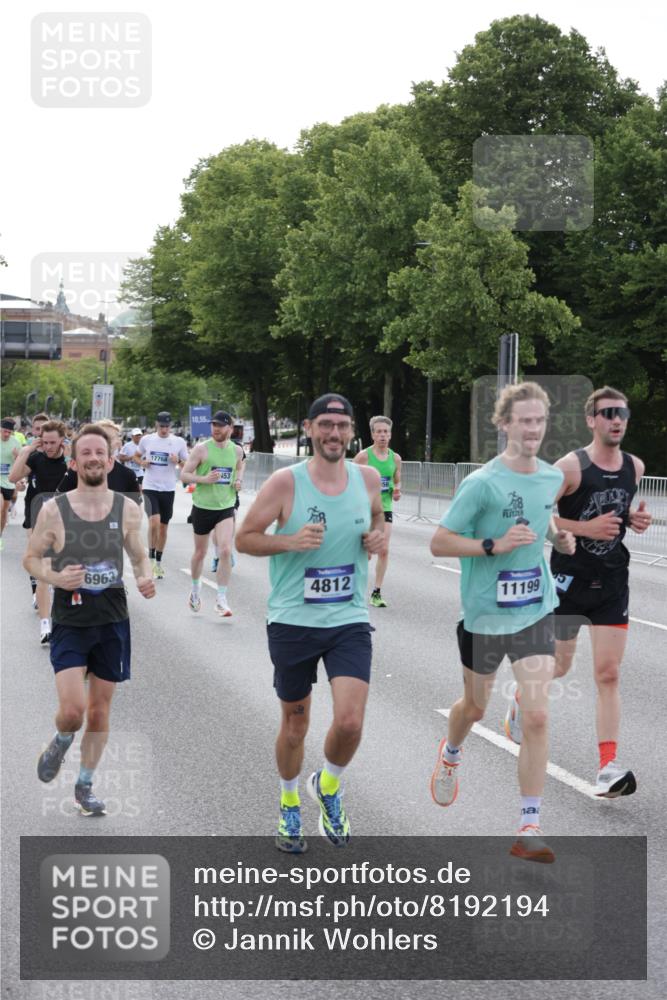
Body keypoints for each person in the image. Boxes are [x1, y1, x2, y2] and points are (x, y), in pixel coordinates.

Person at [429, 382, 575, 863]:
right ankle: (451, 753)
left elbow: (543, 516)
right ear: (505, 423)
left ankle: (529, 827)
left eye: (540, 421)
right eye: (525, 421)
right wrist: (493, 545)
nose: (533, 429)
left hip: (535, 609)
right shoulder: (482, 483)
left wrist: (559, 538)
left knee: (538, 715)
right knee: (474, 708)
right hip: (485, 615)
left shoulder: (551, 477)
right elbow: (440, 542)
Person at [236, 393, 384, 853]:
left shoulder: (367, 478)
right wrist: (290, 542)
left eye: (341, 426)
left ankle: (328, 785)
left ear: (351, 431)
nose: (334, 434)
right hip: (293, 619)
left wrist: (378, 536)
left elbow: (377, 518)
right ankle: (288, 803)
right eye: (325, 425)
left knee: (350, 721)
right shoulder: (286, 483)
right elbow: (244, 538)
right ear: (309, 429)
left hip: (348, 617)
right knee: (295, 726)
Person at [503, 386, 651, 798]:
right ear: (591, 420)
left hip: (612, 582)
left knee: (608, 673)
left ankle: (607, 767)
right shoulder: (569, 467)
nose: (616, 420)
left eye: (622, 413)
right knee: (560, 666)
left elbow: (614, 512)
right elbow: (536, 516)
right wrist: (586, 528)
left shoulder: (635, 467)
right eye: (608, 413)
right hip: (569, 581)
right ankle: (521, 697)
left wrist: (632, 520)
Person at [24, 424, 155, 815]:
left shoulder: (127, 509)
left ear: (111, 460)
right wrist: (55, 578)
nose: (94, 458)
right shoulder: (54, 509)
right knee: (72, 712)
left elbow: (138, 556)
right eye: (86, 452)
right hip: (70, 619)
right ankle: (62, 740)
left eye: (100, 452)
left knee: (99, 712)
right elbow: (31, 559)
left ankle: (84, 786)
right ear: (74, 461)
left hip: (112, 619)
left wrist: (145, 577)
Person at [10, 418, 68, 643]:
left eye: (53, 442)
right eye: (45, 442)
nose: (48, 447)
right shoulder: (36, 458)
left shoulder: (70, 460)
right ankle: (45, 625)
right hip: (39, 517)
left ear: (62, 440)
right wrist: (26, 451)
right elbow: (14, 477)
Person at [180, 411, 244, 616]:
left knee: (225, 550)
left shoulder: (237, 450)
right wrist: (204, 479)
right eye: (213, 425)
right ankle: (195, 589)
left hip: (225, 507)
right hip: (203, 507)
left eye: (220, 425)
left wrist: (238, 480)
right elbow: (184, 475)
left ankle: (221, 599)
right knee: (200, 553)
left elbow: (240, 466)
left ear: (230, 428)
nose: (216, 428)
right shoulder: (201, 449)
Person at [353, 416, 402, 607]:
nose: (382, 435)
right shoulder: (363, 457)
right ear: (373, 434)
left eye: (386, 432)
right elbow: (349, 478)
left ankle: (376, 592)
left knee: (383, 549)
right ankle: (355, 588)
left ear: (390, 435)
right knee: (365, 552)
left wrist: (397, 490)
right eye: (379, 431)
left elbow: (397, 480)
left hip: (385, 508)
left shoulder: (395, 458)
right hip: (365, 508)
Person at [136, 411, 188, 578]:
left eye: (167, 426)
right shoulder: (147, 440)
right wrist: (142, 462)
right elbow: (136, 456)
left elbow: (187, 464)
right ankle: (151, 559)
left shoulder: (178, 442)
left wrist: (177, 461)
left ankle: (158, 562)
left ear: (170, 426)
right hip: (150, 486)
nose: (164, 430)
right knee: (154, 522)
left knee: (163, 527)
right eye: (161, 426)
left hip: (168, 488)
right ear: (156, 425)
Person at [56, 420, 142, 503]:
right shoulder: (80, 469)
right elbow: (58, 501)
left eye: (108, 438)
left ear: (118, 442)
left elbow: (136, 508)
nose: (103, 441)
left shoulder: (128, 475)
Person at [1, 418, 21, 546]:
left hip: (8, 481)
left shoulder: (16, 443)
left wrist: (17, 457)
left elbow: (20, 463)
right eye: (4, 431)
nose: (7, 434)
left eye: (9, 432)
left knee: (4, 512)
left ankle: (0, 536)